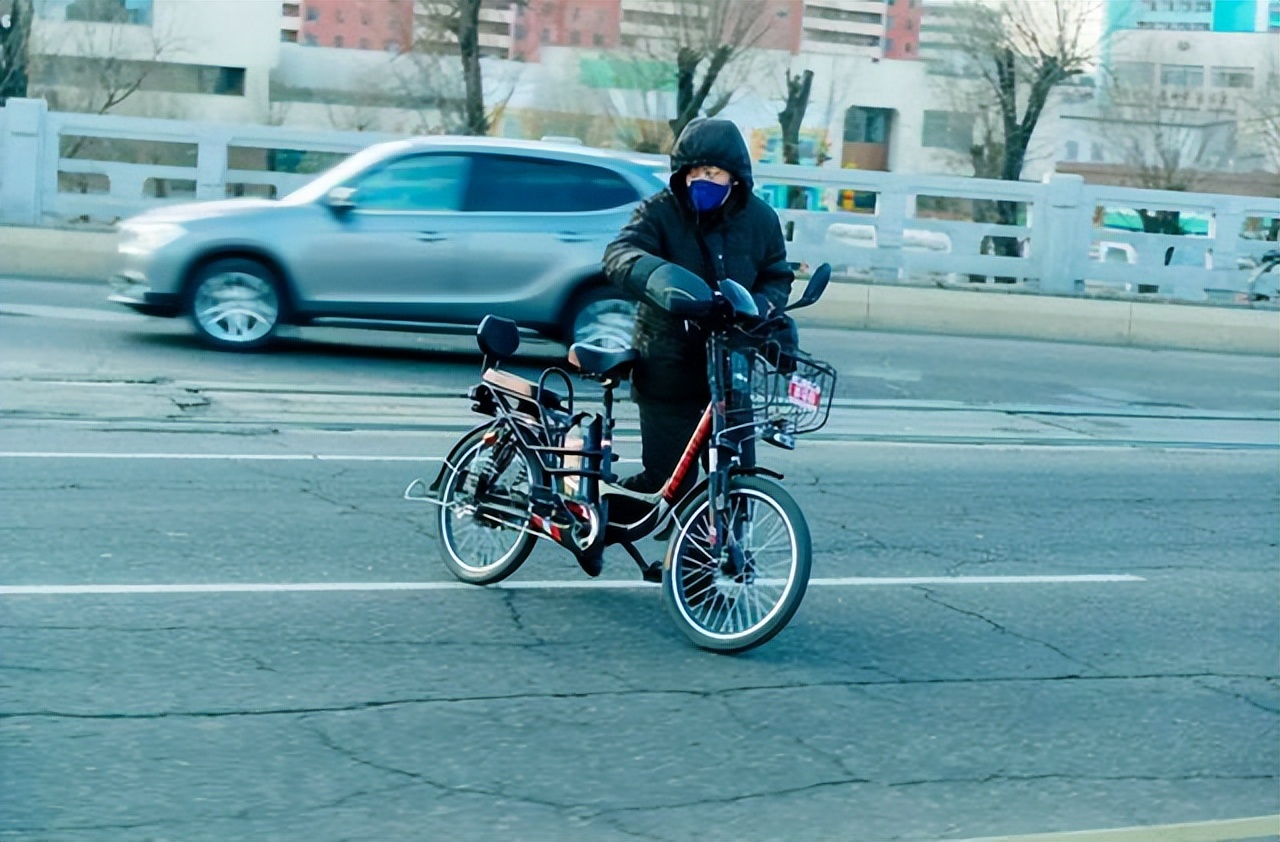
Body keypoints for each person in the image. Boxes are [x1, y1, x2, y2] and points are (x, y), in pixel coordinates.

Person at [603, 117, 795, 514]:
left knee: (737, 482)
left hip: (731, 367)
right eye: (693, 172)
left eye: (713, 172)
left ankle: (723, 564)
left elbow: (777, 274)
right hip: (668, 366)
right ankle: (600, 515)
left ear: (735, 177)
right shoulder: (659, 211)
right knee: (666, 483)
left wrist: (759, 307)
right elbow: (620, 254)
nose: (701, 181)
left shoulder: (761, 220)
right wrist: (660, 279)